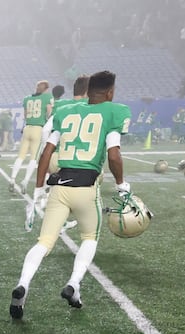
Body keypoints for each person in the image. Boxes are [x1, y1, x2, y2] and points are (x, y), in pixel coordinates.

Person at [9, 69, 130, 320]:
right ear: (110, 92)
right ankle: (74, 284)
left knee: (44, 242)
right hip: (86, 188)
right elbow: (114, 154)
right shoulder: (114, 112)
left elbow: (46, 152)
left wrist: (39, 188)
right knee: (89, 238)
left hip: (60, 185)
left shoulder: (65, 111)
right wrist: (121, 184)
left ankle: (23, 284)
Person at [11, 80, 52, 190]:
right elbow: (49, 112)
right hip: (38, 129)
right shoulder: (47, 97)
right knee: (34, 158)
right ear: (46, 89)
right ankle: (25, 181)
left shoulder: (27, 98)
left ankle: (12, 178)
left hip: (27, 128)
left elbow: (25, 115)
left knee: (20, 156)